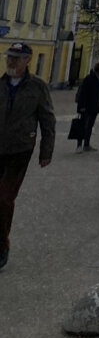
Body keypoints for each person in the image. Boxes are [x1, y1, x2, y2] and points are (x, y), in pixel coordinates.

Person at [0, 42, 55, 271]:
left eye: (16, 58)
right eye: (9, 57)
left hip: (19, 150)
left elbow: (48, 120)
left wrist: (46, 151)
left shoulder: (37, 87)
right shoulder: (0, 85)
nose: (11, 61)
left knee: (3, 198)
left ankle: (2, 246)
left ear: (27, 61)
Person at [75, 60, 99, 152]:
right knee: (82, 125)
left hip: (95, 106)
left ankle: (86, 144)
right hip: (86, 106)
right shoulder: (89, 78)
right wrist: (81, 106)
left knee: (90, 125)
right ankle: (79, 145)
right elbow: (83, 93)